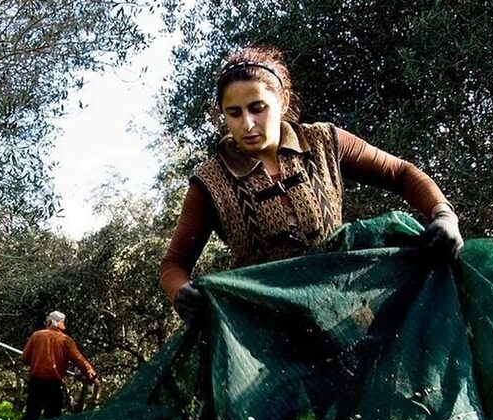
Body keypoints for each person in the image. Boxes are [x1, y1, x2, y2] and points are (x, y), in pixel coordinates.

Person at [160, 46, 464, 322]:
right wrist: (180, 292)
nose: (247, 123)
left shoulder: (323, 142)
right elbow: (174, 264)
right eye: (234, 113)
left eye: (258, 107)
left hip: (348, 316)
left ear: (282, 101)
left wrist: (443, 214)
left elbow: (401, 173)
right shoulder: (209, 182)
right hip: (268, 333)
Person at [20, 311, 97, 420]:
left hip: (36, 384)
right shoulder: (66, 341)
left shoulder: (36, 336)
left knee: (31, 417)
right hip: (55, 385)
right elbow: (79, 359)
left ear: (50, 321)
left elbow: (25, 359)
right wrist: (91, 375)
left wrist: (37, 359)